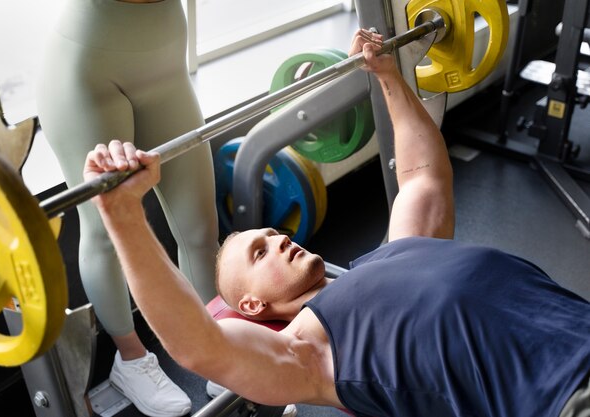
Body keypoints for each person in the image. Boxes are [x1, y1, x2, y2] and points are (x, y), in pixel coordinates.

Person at [84, 29, 590, 417]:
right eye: (260, 253)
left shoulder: (396, 250)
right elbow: (201, 346)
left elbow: (422, 178)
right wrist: (124, 215)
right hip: (561, 400)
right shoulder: (309, 354)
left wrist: (388, 76)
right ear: (253, 305)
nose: (279, 240)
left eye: (273, 235)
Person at [35, 1, 220, 416]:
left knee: (199, 225)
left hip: (166, 56)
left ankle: (219, 343)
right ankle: (132, 360)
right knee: (103, 230)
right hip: (85, 67)